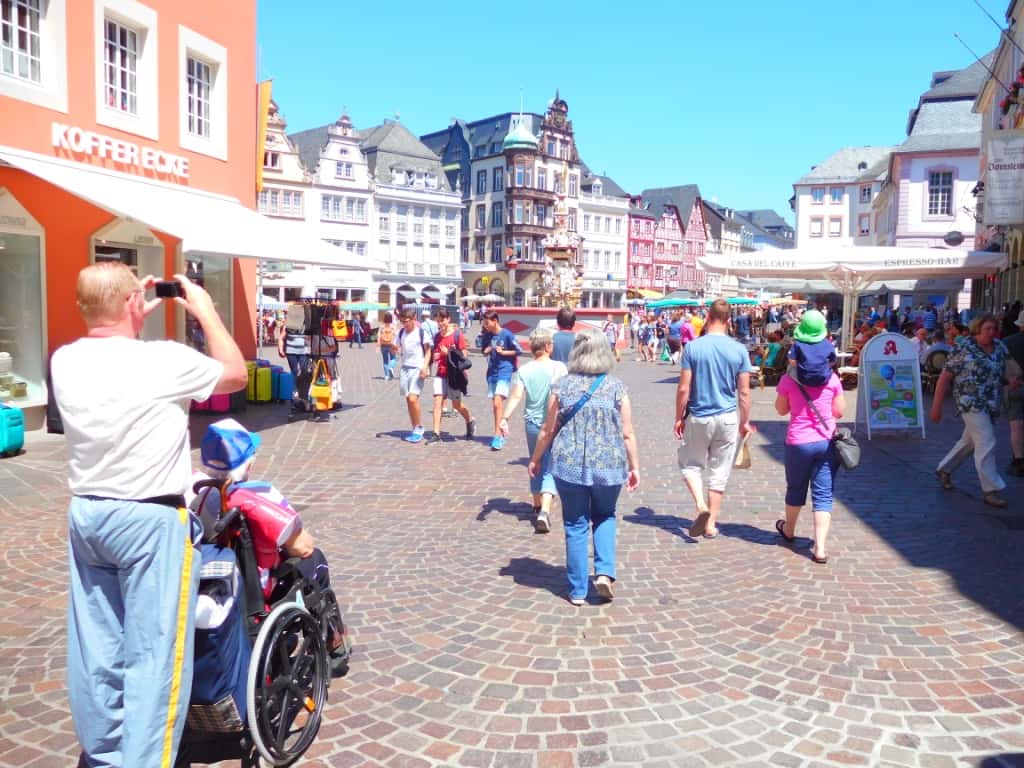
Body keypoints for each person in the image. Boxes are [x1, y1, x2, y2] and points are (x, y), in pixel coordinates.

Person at [51, 263, 247, 768]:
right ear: (133, 303)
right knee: (156, 652)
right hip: (149, 518)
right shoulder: (162, 360)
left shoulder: (65, 360)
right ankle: (143, 759)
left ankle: (104, 752)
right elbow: (235, 372)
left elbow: (108, 332)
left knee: (97, 646)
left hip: (90, 514)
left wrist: (126, 308)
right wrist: (202, 308)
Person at [189, 418, 350, 676]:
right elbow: (303, 547)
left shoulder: (196, 495)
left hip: (216, 582)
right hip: (260, 590)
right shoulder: (260, 494)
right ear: (247, 462)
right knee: (316, 560)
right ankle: (335, 643)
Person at [528, 329, 639, 605]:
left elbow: (547, 429)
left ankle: (577, 590)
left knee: (575, 523)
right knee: (605, 515)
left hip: (570, 465)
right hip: (609, 466)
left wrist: (536, 458)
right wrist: (635, 466)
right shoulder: (617, 387)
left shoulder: (562, 386)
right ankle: (604, 573)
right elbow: (628, 433)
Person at [674, 298, 754, 538]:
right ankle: (710, 525)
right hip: (728, 416)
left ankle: (701, 506)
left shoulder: (694, 348)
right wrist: (745, 421)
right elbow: (744, 391)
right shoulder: (739, 349)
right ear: (729, 321)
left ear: (708, 317)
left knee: (690, 464)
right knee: (720, 471)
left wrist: (679, 416)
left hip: (699, 416)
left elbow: (684, 389)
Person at [931, 313, 1020, 508]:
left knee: (970, 441)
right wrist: (936, 406)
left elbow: (1002, 370)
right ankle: (990, 489)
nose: (991, 333)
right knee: (986, 440)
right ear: (977, 330)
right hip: (969, 401)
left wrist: (1010, 380)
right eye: (987, 329)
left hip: (990, 402)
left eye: (993, 329)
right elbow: (945, 376)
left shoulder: (999, 347)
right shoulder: (965, 347)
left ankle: (944, 469)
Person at [773, 360, 845, 564]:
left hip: (798, 442)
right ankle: (820, 548)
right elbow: (839, 411)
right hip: (826, 441)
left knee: (796, 488)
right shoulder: (832, 378)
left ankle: (789, 529)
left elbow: (780, 409)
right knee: (823, 493)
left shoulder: (788, 379)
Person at [500, 328, 568, 533]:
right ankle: (545, 511)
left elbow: (515, 397)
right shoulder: (559, 368)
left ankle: (537, 502)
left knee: (534, 461)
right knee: (550, 466)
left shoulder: (524, 370)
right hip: (554, 423)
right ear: (548, 346)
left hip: (532, 424)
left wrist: (504, 418)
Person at [428, 308, 476, 443]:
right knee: (438, 401)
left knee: (456, 405)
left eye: (442, 320)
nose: (440, 323)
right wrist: (436, 356)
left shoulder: (456, 335)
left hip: (454, 374)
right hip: (441, 372)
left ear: (448, 319)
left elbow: (464, 354)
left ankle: (469, 420)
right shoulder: (437, 336)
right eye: (438, 321)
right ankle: (436, 433)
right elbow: (435, 353)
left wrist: (448, 352)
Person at [481, 311, 520, 450]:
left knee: (498, 401)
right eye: (484, 323)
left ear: (495, 320)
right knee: (496, 405)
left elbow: (518, 350)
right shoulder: (487, 335)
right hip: (492, 372)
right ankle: (500, 430)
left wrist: (504, 353)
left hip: (505, 370)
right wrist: (487, 350)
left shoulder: (507, 334)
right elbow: (483, 350)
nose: (486, 325)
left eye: (487, 322)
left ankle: (497, 435)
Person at [393, 308, 432, 443]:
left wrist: (425, 366)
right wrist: (394, 349)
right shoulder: (401, 332)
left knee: (412, 398)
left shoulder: (421, 333)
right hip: (405, 368)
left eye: (407, 321)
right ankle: (415, 427)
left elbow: (428, 351)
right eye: (402, 321)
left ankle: (419, 426)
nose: (405, 324)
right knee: (408, 400)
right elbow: (397, 348)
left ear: (413, 319)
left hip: (417, 368)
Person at [788, 310, 836, 386]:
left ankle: (793, 387)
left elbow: (792, 361)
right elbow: (832, 361)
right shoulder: (827, 344)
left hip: (802, 378)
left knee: (789, 369)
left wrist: (803, 365)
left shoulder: (797, 344)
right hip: (823, 378)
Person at [1003, 310, 1024, 476]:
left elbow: (1000, 366)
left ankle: (1018, 461)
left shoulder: (1007, 342)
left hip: (1014, 386)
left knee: (1016, 425)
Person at [378, 311, 396, 380]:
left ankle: (386, 376)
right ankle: (390, 367)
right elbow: (396, 335)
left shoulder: (382, 326)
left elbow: (379, 335)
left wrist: (378, 344)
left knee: (385, 360)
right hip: (391, 344)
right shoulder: (393, 326)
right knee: (393, 358)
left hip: (383, 344)